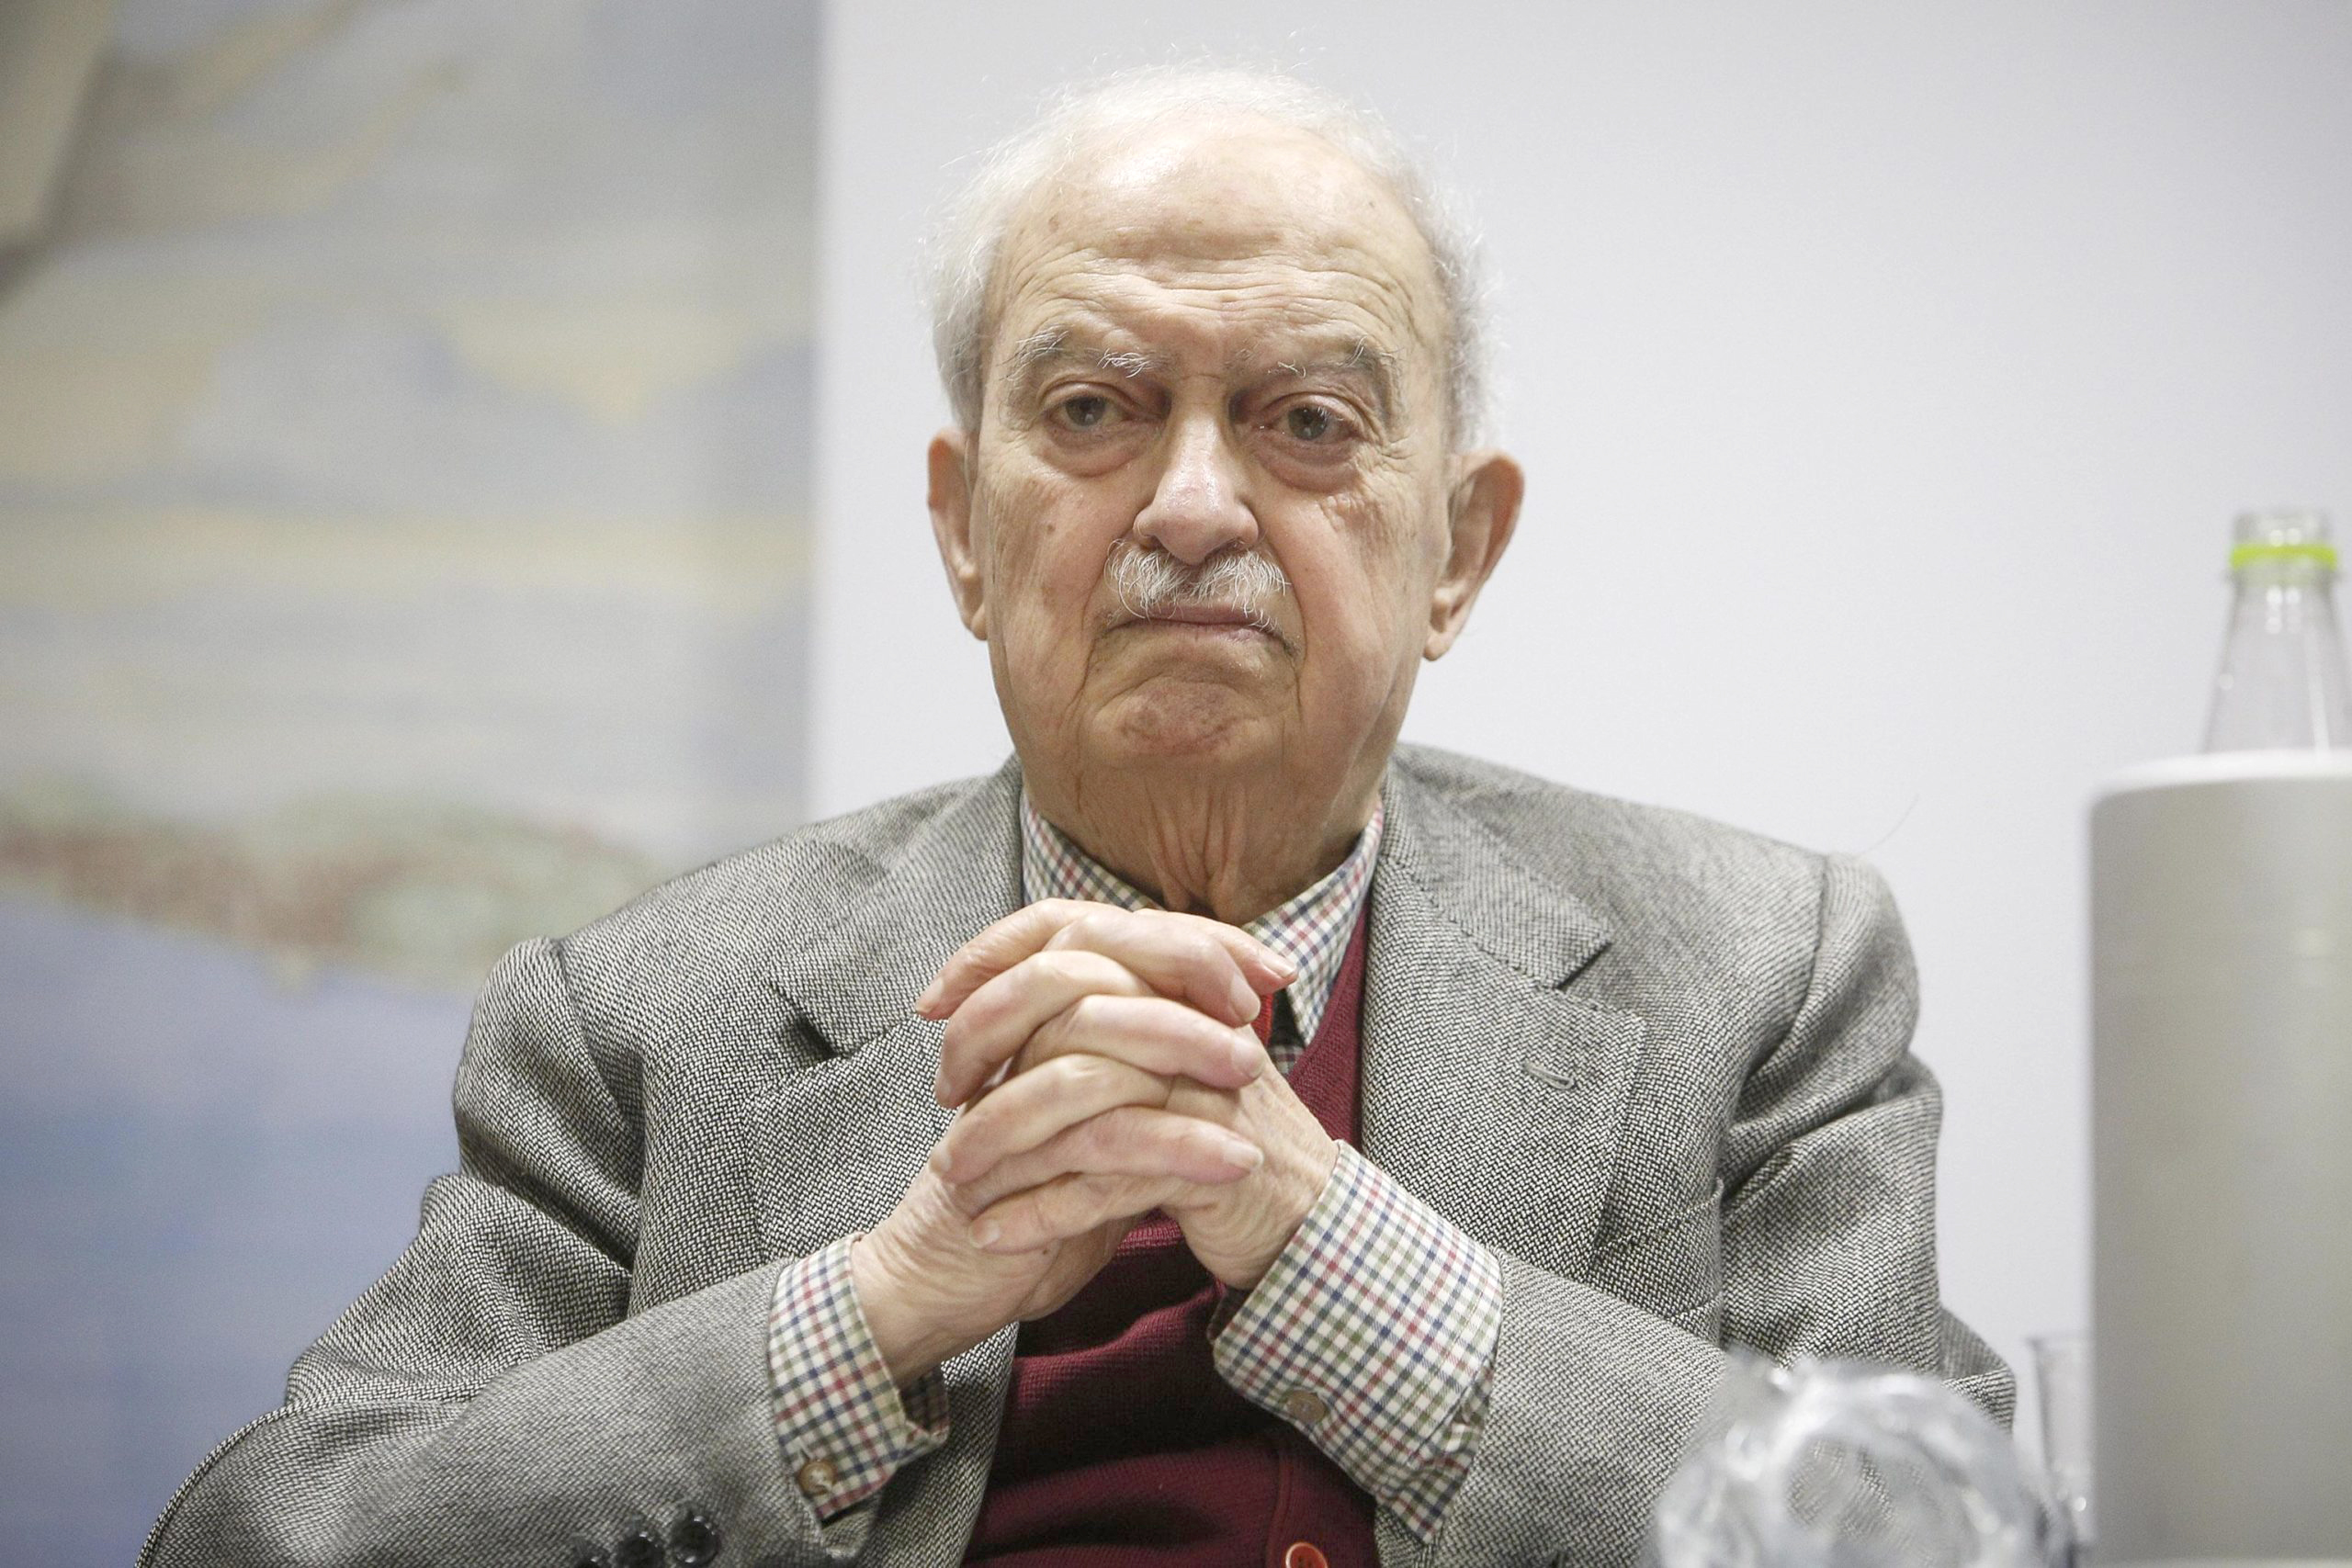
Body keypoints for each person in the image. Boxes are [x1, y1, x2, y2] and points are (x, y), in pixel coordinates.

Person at [144, 67, 2010, 1568]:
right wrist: (867, 1312)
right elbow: (267, 1539)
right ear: (965, 529)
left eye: (1305, 419)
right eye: (1097, 407)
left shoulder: (1760, 970)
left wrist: (1330, 1251)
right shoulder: (644, 1020)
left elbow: (1940, 1539)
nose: (1190, 505)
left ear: (1458, 546)